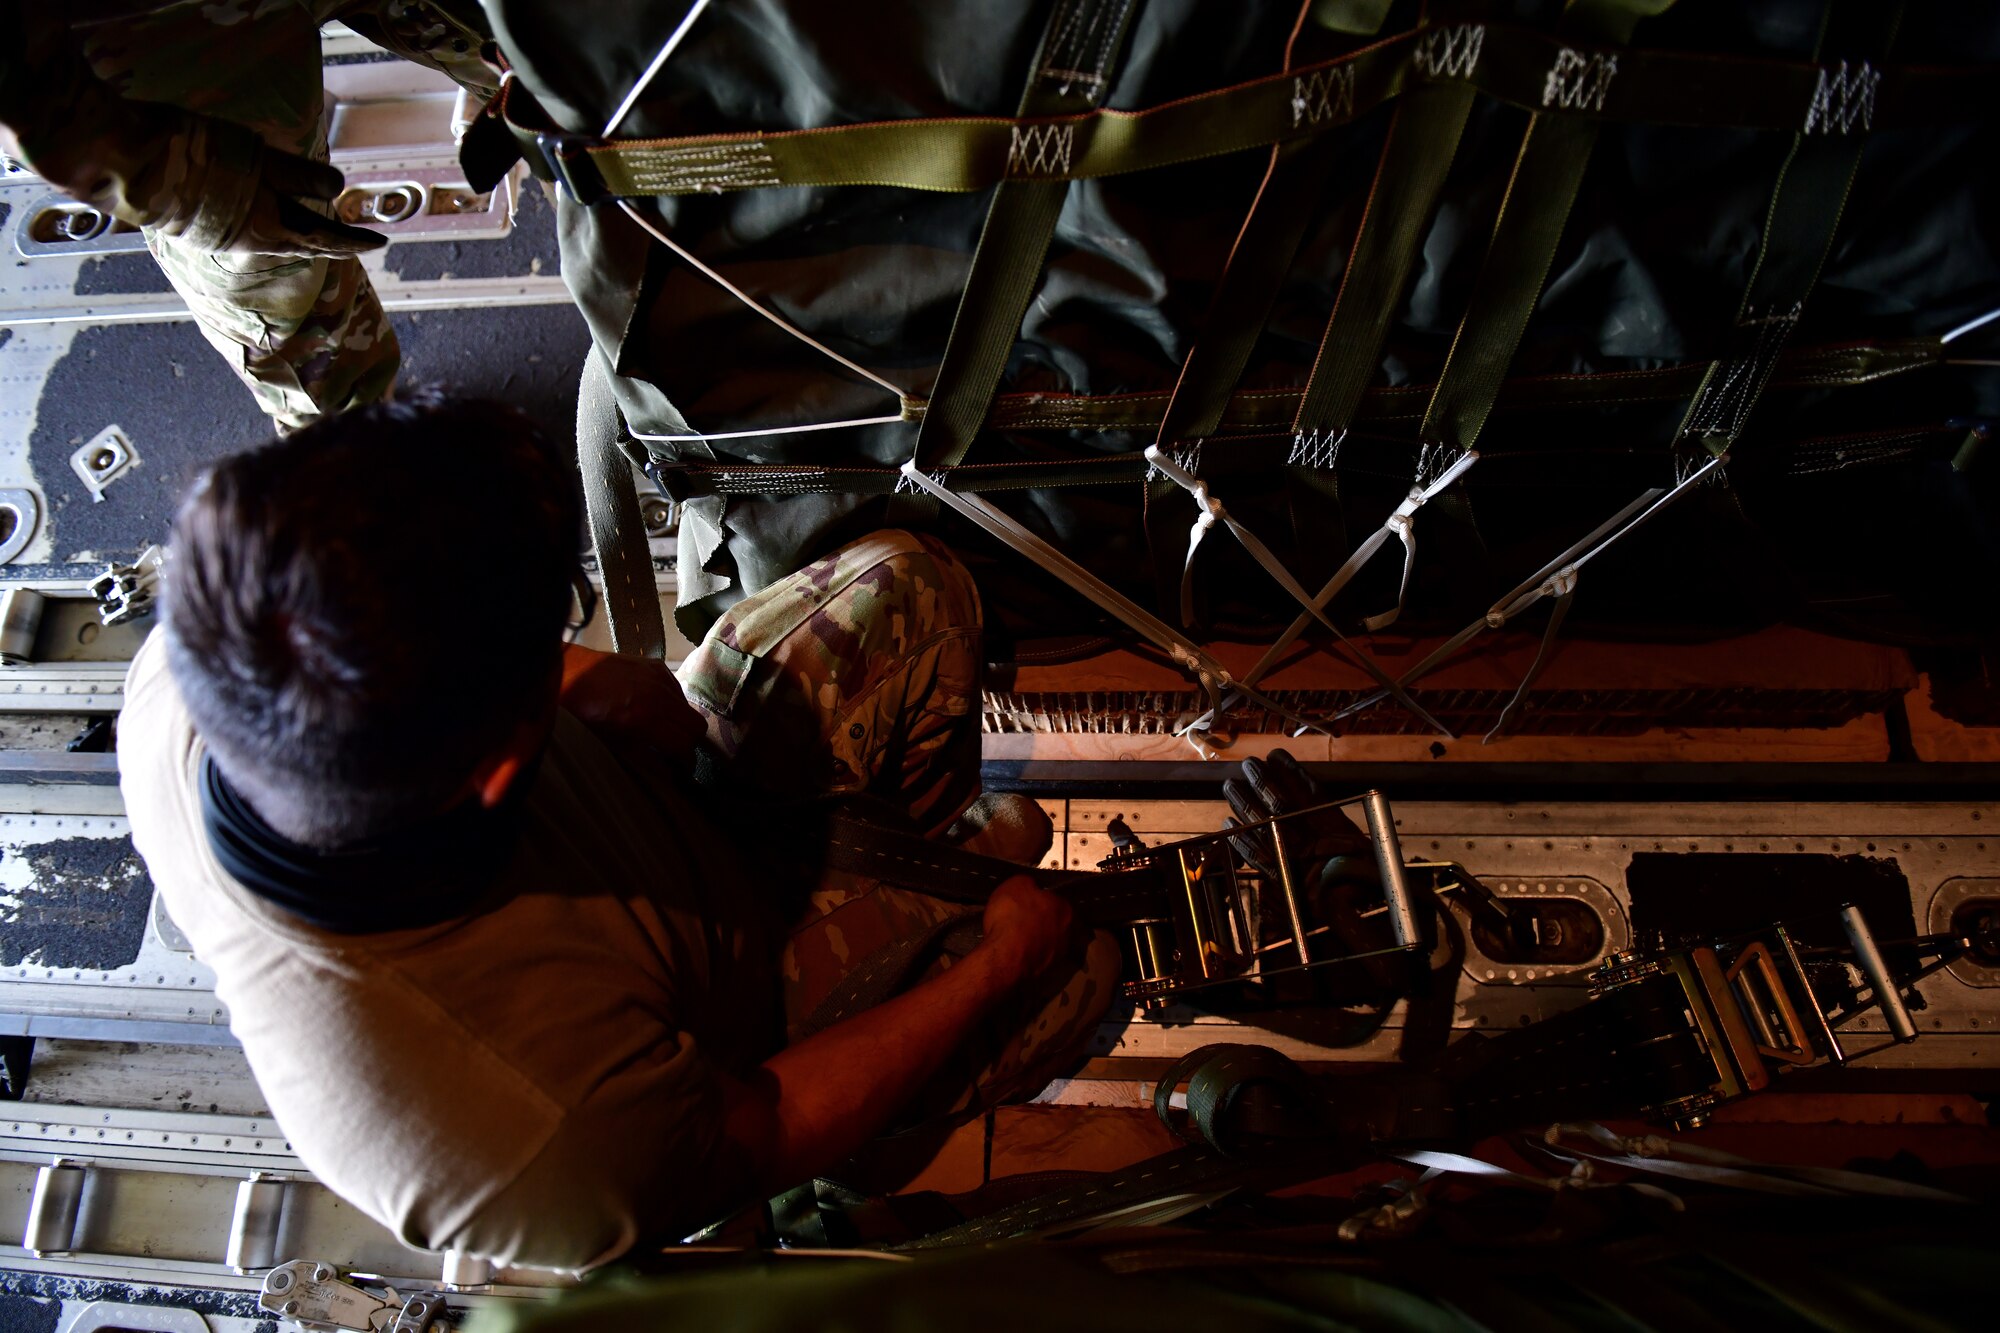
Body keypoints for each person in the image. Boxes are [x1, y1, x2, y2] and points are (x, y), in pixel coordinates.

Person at [117, 394, 1121, 1269]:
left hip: (690, 795)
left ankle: (930, 856)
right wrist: (997, 965)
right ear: (498, 766)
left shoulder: (220, 636)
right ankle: (944, 943)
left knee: (912, 584)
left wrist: (606, 689)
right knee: (1081, 965)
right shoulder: (510, 1138)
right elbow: (765, 1128)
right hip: (754, 1026)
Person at [0, 3, 495, 430]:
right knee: (278, 285)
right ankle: (355, 456)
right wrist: (160, 174)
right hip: (155, 36)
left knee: (523, 76)